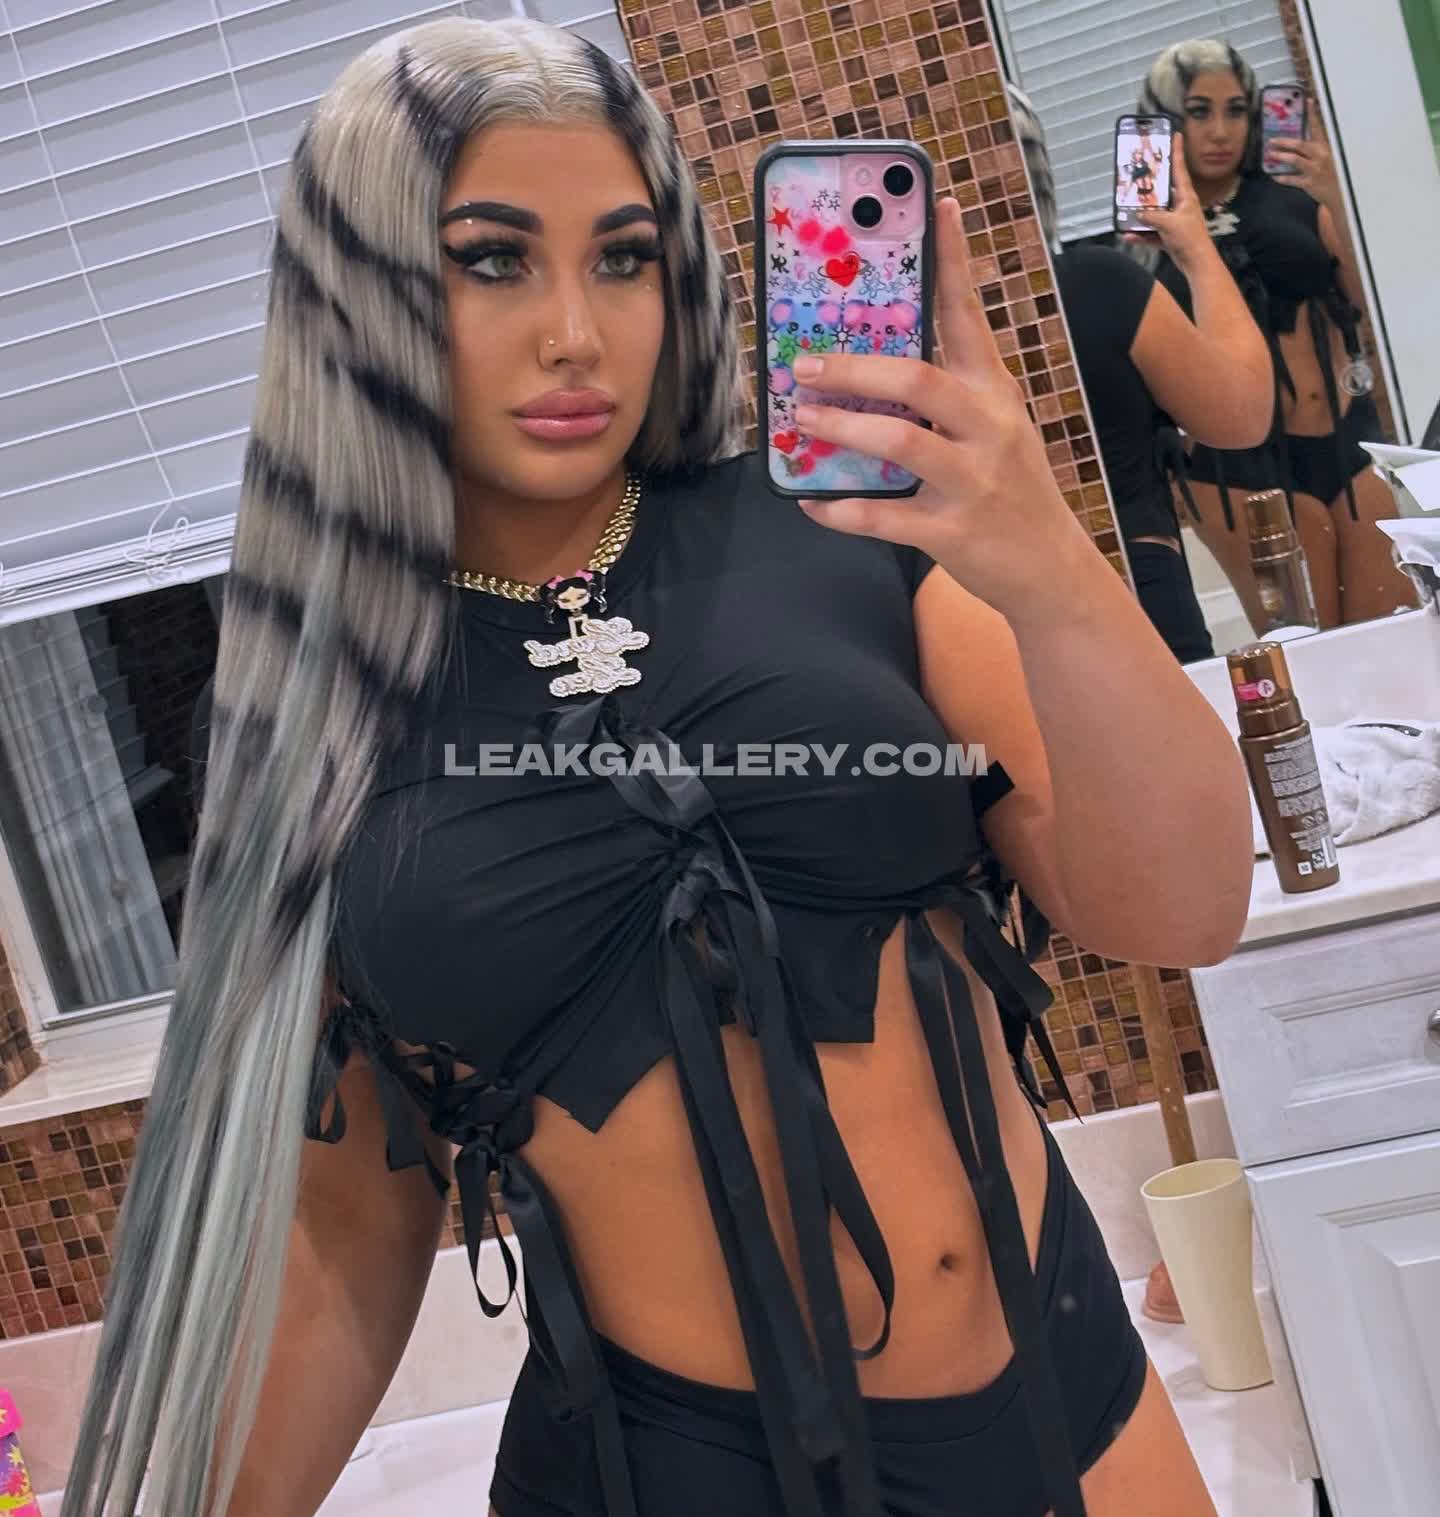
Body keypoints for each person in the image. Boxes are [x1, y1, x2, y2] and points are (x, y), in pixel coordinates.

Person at [61, 18, 1252, 1517]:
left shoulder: (847, 535)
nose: (577, 332)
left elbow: (1184, 907)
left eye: (623, 258)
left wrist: (1049, 566)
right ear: (354, 289)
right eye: (494, 260)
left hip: (1060, 1388)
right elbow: (346, 1223)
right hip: (665, 1474)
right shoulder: (317, 711)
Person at [1138, 39, 1416, 628]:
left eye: (1236, 110)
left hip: (1348, 437)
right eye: (1199, 111)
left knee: (1391, 633)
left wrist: (1336, 195)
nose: (1220, 131)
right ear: (1166, 120)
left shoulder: (1296, 197)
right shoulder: (1151, 234)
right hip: (1238, 470)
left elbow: (1373, 302)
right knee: (1309, 649)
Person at [1009, 86, 1273, 663]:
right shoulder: (1098, 285)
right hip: (1141, 593)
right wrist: (1196, 249)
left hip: (990, 626)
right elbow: (1242, 413)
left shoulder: (894, 333)